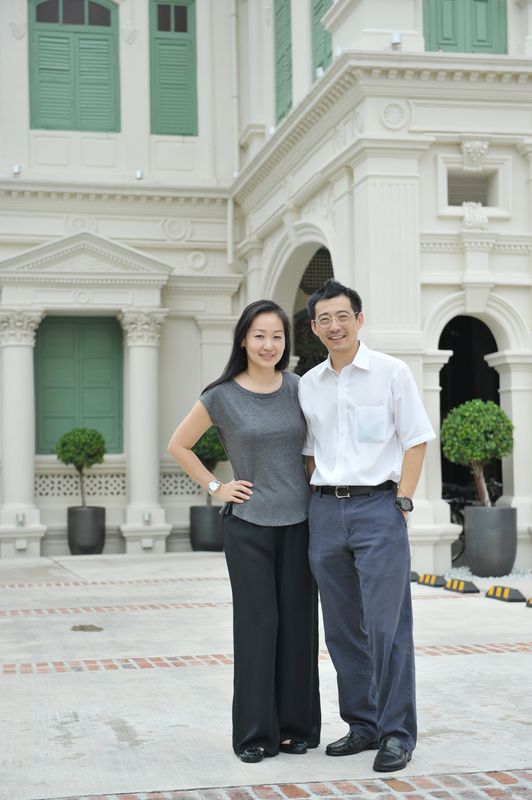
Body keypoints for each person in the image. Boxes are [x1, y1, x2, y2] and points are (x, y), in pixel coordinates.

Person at [168, 299, 321, 764]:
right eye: (259, 335)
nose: (269, 344)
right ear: (243, 339)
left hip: (300, 523)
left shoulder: (298, 388)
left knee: (298, 627)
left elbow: (314, 450)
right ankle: (254, 734)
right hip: (249, 527)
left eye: (277, 336)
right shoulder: (221, 395)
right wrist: (217, 486)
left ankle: (296, 729)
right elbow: (179, 445)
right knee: (259, 626)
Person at [298, 278, 435, 773]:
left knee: (386, 626)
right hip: (325, 512)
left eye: (343, 316)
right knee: (340, 629)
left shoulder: (391, 373)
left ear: (359, 320)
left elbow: (417, 439)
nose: (335, 326)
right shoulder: (309, 385)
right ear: (314, 328)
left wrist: (402, 500)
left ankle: (398, 733)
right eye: (324, 319)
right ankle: (362, 724)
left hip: (379, 508)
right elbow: (309, 454)